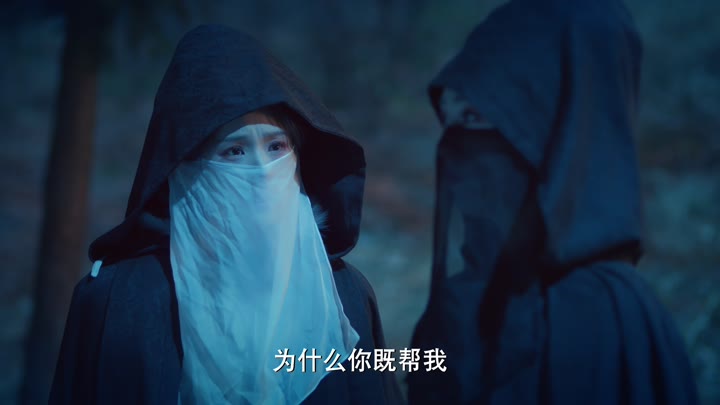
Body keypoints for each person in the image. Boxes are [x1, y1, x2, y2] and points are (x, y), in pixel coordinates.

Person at [49, 24, 402, 404]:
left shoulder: (345, 294)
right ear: (186, 170)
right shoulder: (117, 302)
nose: (262, 171)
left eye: (276, 146)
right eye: (234, 151)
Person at [408, 0, 699, 404]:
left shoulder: (606, 319)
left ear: (553, 129)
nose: (458, 150)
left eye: (476, 118)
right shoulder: (465, 299)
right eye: (452, 119)